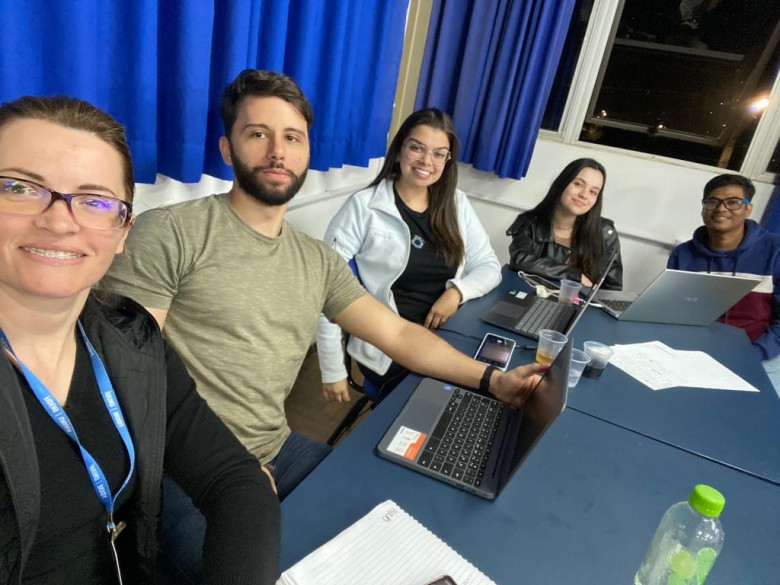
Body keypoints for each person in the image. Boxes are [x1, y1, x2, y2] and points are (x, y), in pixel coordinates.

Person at [102, 69, 547, 578]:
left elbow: (399, 334)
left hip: (275, 446)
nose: (278, 151)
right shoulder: (171, 233)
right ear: (227, 149)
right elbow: (131, 377)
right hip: (180, 467)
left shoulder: (316, 260)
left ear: (307, 152)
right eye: (258, 134)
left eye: (292, 137)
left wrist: (493, 380)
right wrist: (225, 469)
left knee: (391, 530)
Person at [0, 96, 279, 584]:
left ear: (123, 230)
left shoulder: (129, 337)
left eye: (95, 200)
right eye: (19, 188)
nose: (59, 221)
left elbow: (236, 480)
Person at [316, 108, 501, 400]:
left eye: (439, 154)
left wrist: (457, 293)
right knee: (463, 394)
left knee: (494, 375)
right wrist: (332, 370)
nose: (427, 161)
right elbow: (326, 290)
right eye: (417, 148)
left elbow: (489, 265)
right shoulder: (364, 207)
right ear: (400, 149)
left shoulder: (455, 203)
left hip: (447, 333)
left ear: (448, 160)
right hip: (388, 346)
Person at [668, 173, 780, 395]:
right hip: (699, 351)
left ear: (748, 208)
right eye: (712, 201)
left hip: (760, 352)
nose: (721, 209)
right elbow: (676, 311)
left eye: (733, 202)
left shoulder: (774, 251)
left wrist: (753, 354)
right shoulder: (683, 254)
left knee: (762, 412)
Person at [506, 158, 623, 290]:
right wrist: (575, 275)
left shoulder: (605, 232)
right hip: (531, 299)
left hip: (583, 303)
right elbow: (520, 259)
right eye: (578, 184)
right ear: (562, 183)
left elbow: (613, 289)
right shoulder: (529, 223)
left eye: (593, 192)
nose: (584, 195)